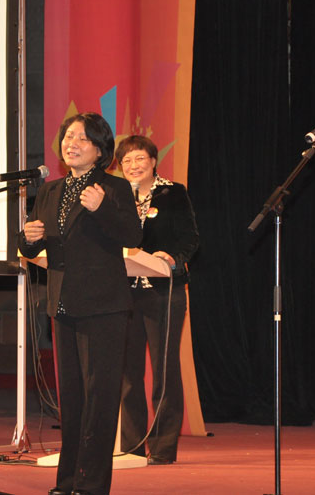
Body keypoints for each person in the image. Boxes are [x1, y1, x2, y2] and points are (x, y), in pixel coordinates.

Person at [19, 112, 142, 495]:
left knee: (100, 398)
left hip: (103, 306)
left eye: (82, 138)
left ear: (100, 150)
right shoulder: (50, 191)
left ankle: (91, 485)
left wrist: (101, 208)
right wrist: (27, 238)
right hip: (63, 304)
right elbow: (34, 247)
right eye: (68, 136)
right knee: (71, 399)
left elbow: (132, 235)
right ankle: (68, 480)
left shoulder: (114, 188)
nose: (71, 144)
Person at [115, 135, 199, 466]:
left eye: (139, 158)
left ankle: (163, 448)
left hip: (163, 290)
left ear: (153, 161)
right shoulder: (116, 196)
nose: (133, 165)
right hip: (124, 292)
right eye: (126, 161)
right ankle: (132, 447)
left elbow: (190, 238)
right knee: (128, 372)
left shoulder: (172, 193)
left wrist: (173, 258)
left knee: (165, 370)